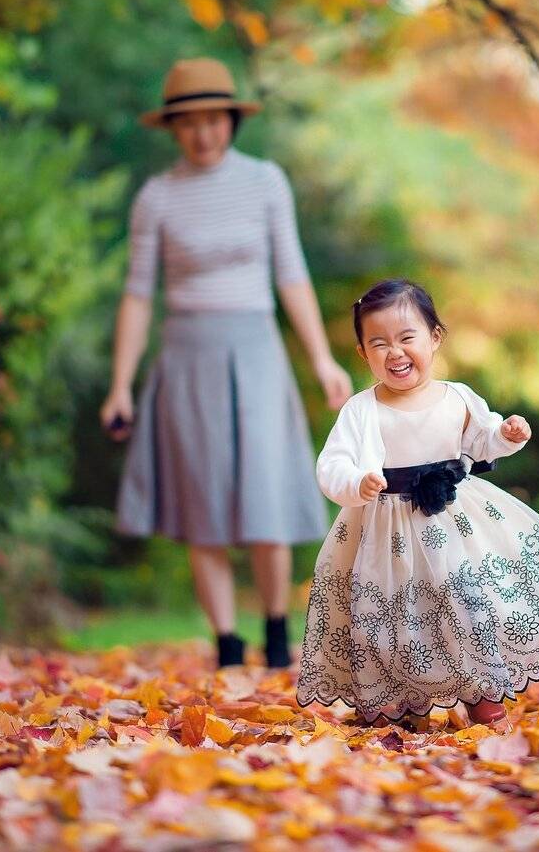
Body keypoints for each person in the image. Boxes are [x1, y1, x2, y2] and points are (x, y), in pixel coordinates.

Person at [102, 57, 353, 670]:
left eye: (214, 119)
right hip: (187, 358)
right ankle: (226, 642)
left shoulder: (266, 182)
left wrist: (322, 359)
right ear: (172, 128)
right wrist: (120, 385)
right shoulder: (157, 197)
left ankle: (276, 631)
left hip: (257, 351)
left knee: (266, 492)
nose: (203, 133)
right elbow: (138, 295)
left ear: (232, 121)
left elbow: (291, 274)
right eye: (189, 123)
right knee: (203, 503)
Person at [296, 279, 539, 727]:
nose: (395, 352)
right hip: (384, 531)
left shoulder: (457, 397)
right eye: (379, 343)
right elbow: (332, 464)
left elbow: (482, 438)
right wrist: (356, 482)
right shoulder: (360, 409)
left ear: (434, 338)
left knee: (465, 600)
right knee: (385, 611)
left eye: (406, 338)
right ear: (363, 353)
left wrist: (505, 435)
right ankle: (387, 696)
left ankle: (482, 689)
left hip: (450, 522)